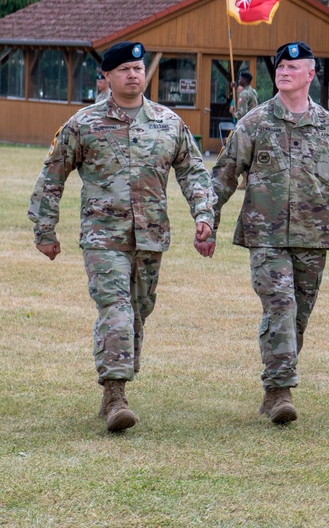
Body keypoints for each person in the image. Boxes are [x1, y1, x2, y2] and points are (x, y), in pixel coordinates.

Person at [28, 41, 216, 433]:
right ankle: (116, 395)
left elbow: (194, 173)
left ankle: (115, 386)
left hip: (151, 236)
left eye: (138, 67)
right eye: (124, 69)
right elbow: (52, 177)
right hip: (103, 237)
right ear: (108, 77)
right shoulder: (84, 124)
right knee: (116, 309)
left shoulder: (169, 123)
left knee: (138, 311)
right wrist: (45, 229)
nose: (133, 74)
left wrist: (204, 214)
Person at [198, 41, 329, 425]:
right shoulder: (255, 123)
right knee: (280, 306)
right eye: (280, 67)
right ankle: (281, 391)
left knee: (298, 317)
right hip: (265, 236)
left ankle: (272, 387)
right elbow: (223, 177)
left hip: (313, 237)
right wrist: (206, 221)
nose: (284, 71)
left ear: (310, 74)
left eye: (294, 67)